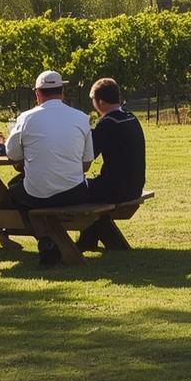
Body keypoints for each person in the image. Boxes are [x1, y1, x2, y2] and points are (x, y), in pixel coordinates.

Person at [5, 70, 93, 265]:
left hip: (37, 193)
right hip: (74, 193)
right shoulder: (81, 118)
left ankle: (45, 240)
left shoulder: (26, 118)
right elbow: (87, 164)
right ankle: (51, 240)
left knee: (14, 193)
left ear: (37, 93)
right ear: (62, 91)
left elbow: (12, 155)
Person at [78, 77, 146, 251]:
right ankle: (88, 240)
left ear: (99, 101)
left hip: (116, 190)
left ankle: (82, 241)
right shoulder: (130, 117)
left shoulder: (108, 123)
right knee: (90, 189)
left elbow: (88, 155)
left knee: (75, 190)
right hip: (134, 186)